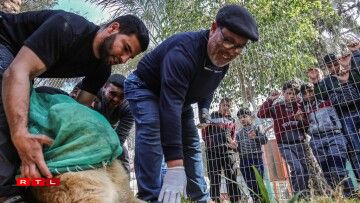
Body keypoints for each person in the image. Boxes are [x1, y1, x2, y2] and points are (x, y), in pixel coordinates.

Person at [0, 10, 149, 202]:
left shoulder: (102, 69)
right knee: (6, 93)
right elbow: (16, 72)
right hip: (4, 42)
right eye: (126, 48)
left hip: (21, 64)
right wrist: (20, 135)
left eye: (129, 57)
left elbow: (77, 112)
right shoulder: (67, 28)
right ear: (113, 28)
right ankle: (6, 193)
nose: (123, 59)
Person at [124, 4, 259, 203]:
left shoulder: (223, 60)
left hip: (181, 98)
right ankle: (150, 196)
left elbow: (208, 85)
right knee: (152, 126)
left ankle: (200, 198)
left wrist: (204, 108)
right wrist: (175, 166)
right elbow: (170, 106)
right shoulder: (183, 52)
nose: (231, 51)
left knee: (193, 144)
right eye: (228, 41)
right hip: (145, 87)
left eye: (239, 47)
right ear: (213, 28)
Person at [257, 81, 310, 196]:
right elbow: (260, 114)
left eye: (294, 93)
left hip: (300, 143)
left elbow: (306, 127)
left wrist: (301, 119)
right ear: (283, 93)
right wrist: (270, 99)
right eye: (288, 93)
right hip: (285, 145)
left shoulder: (301, 106)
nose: (291, 96)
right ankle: (299, 196)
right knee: (298, 169)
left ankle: (305, 196)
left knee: (305, 172)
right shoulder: (277, 107)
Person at [300, 83, 354, 196]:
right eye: (304, 93)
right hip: (316, 140)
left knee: (338, 170)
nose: (308, 95)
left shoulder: (327, 99)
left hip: (334, 135)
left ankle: (350, 195)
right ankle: (337, 196)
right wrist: (302, 119)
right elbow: (304, 126)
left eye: (310, 91)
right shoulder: (302, 108)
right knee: (327, 172)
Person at [91, 74, 134, 174]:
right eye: (113, 94)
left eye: (122, 96)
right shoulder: (92, 90)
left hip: (109, 132)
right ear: (104, 87)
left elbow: (120, 138)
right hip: (87, 126)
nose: (116, 99)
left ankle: (124, 187)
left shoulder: (128, 109)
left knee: (122, 153)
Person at [202, 98, 240, 202]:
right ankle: (214, 200)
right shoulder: (212, 116)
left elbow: (232, 136)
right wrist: (210, 143)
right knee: (214, 178)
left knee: (232, 176)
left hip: (227, 151)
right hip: (212, 151)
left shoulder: (231, 120)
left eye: (228, 105)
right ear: (220, 105)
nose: (226, 107)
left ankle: (235, 200)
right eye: (224, 105)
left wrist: (231, 142)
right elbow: (204, 133)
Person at [236, 107, 267, 202]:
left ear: (250, 117)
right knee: (249, 183)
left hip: (256, 158)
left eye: (244, 116)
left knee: (258, 182)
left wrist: (256, 137)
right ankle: (255, 200)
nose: (242, 119)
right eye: (240, 118)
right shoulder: (239, 133)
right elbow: (239, 148)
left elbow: (265, 140)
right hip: (244, 160)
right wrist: (235, 147)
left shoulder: (257, 128)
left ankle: (262, 199)